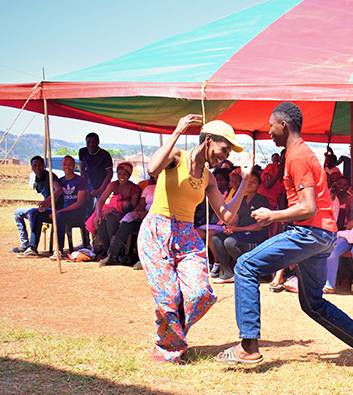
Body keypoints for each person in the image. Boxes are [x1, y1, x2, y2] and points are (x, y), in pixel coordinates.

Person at [219, 102, 353, 366]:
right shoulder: (300, 153)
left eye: (272, 126)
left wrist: (272, 215)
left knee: (245, 265)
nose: (269, 132)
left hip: (309, 232)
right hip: (323, 236)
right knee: (312, 303)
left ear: (284, 125)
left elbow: (307, 207)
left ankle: (248, 347)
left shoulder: (297, 156)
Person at [140, 114, 249, 364]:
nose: (225, 156)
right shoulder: (176, 156)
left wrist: (244, 182)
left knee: (200, 293)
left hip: (187, 235)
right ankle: (169, 347)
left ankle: (171, 338)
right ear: (208, 140)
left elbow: (227, 215)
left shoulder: (209, 178)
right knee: (168, 296)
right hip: (158, 230)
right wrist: (177, 131)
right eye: (223, 149)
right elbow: (152, 168)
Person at [211, 172, 270, 283]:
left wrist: (237, 229)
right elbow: (235, 220)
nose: (250, 184)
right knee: (216, 238)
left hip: (255, 233)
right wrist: (229, 227)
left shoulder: (262, 200)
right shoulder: (241, 200)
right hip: (240, 232)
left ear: (258, 185)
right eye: (248, 181)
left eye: (253, 182)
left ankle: (248, 269)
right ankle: (228, 273)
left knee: (229, 242)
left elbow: (259, 226)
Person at [100, 175, 157, 266]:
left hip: (156, 215)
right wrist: (136, 211)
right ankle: (112, 255)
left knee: (146, 227)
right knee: (126, 224)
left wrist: (148, 214)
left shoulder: (167, 189)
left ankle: (143, 259)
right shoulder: (148, 188)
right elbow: (141, 203)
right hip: (143, 214)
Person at [13, 156, 62, 257]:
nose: (38, 168)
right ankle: (25, 244)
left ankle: (33, 246)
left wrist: (46, 201)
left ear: (44, 166)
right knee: (17, 213)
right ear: (32, 167)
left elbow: (58, 190)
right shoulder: (37, 180)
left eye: (40, 165)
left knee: (34, 213)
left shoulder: (50, 176)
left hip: (57, 209)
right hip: (48, 207)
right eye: (35, 166)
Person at [91, 161, 142, 258]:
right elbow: (101, 200)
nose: (122, 176)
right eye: (119, 174)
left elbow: (132, 206)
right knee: (100, 221)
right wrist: (98, 214)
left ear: (129, 175)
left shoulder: (135, 188)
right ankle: (108, 249)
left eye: (125, 174)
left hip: (126, 214)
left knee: (111, 219)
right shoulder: (113, 185)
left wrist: (114, 208)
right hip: (113, 212)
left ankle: (115, 251)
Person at [44, 156, 90, 259]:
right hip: (63, 212)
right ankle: (32, 247)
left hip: (77, 213)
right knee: (37, 214)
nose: (67, 166)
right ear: (61, 166)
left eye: (70, 164)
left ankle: (59, 249)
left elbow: (79, 202)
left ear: (74, 166)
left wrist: (59, 211)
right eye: (65, 164)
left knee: (60, 215)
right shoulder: (60, 181)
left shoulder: (80, 181)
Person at [78, 133, 113, 200]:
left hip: (102, 184)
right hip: (89, 184)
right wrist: (86, 187)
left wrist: (101, 190)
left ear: (98, 142)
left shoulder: (105, 154)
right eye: (88, 142)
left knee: (100, 206)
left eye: (93, 142)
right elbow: (82, 169)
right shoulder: (83, 152)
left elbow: (110, 173)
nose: (91, 144)